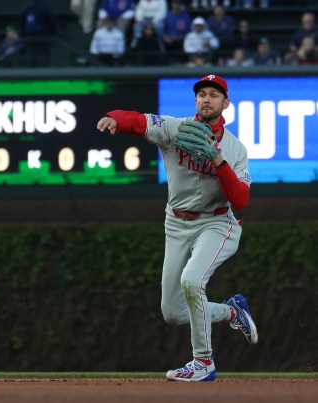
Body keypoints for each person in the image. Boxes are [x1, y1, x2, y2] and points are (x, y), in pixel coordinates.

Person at [96, 75, 258, 382]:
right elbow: (140, 122)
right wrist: (114, 118)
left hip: (217, 222)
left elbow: (242, 199)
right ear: (195, 101)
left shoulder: (235, 149)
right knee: (172, 312)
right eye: (201, 95)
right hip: (176, 222)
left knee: (191, 280)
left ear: (226, 104)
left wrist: (219, 162)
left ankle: (203, 363)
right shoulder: (176, 128)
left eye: (214, 95)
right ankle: (231, 311)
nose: (206, 99)